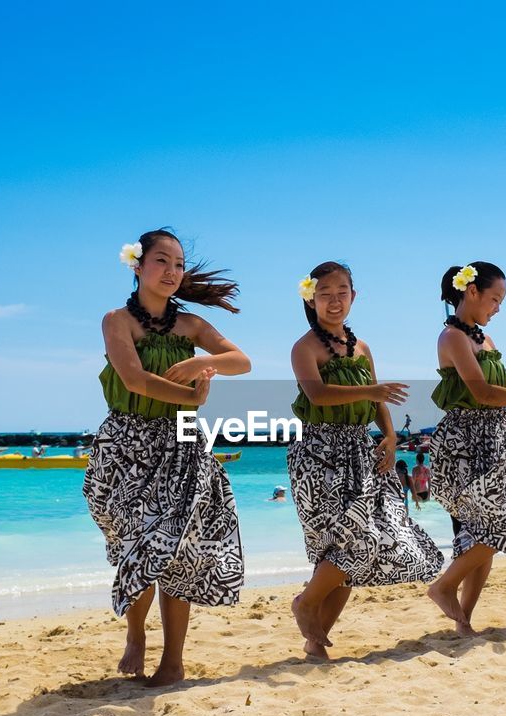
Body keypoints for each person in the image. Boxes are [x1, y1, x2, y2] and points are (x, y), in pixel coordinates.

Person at [83, 228, 250, 687]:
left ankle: (172, 661)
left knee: (178, 551)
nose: (172, 272)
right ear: (138, 266)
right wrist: (189, 396)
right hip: (126, 443)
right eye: (162, 261)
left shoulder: (191, 325)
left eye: (178, 264)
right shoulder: (117, 320)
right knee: (136, 544)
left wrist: (200, 363)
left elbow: (241, 361)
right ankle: (136, 633)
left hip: (182, 444)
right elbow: (134, 380)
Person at [287, 261, 442, 656]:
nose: (334, 300)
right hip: (319, 454)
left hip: (361, 451)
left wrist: (390, 436)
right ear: (312, 298)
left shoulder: (362, 347)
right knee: (341, 545)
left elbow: (378, 401)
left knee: (363, 545)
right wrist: (372, 390)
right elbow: (318, 394)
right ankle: (306, 606)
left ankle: (313, 639)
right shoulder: (304, 348)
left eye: (342, 292)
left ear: (353, 297)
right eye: (325, 293)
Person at [426, 261, 506, 635]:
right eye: (495, 298)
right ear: (471, 292)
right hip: (466, 444)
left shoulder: (485, 339)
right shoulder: (452, 338)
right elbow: (481, 391)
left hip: (498, 440)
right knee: (495, 526)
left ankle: (464, 620)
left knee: (485, 534)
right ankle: (444, 586)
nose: (498, 307)